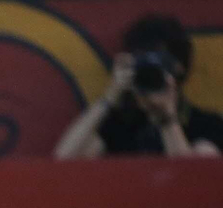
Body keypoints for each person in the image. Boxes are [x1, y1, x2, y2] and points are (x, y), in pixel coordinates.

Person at [55, 14, 222, 160]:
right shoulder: (121, 126)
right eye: (142, 62)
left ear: (178, 67)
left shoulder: (207, 125)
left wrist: (167, 118)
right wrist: (109, 97)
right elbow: (64, 160)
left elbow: (190, 181)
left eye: (157, 62)